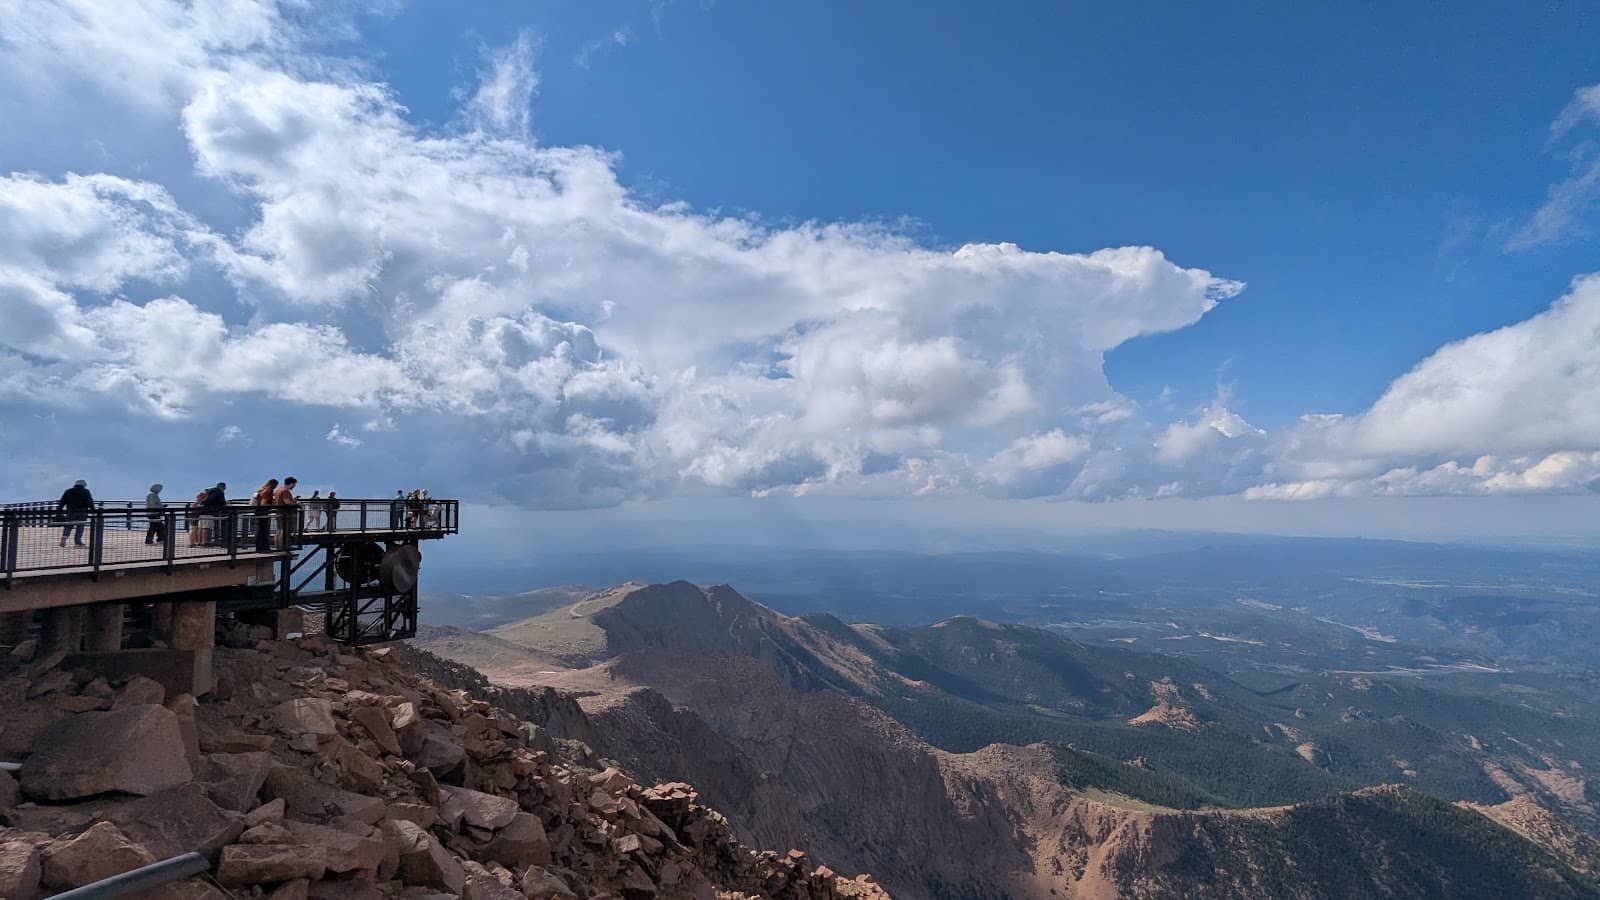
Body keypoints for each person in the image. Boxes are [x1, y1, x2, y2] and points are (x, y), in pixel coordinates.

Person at [56, 479, 94, 548]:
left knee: (68, 525)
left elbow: (62, 502)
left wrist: (59, 510)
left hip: (70, 511)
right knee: (80, 527)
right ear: (84, 485)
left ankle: (64, 536)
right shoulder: (85, 491)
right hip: (82, 512)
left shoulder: (68, 491)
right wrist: (93, 510)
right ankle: (78, 542)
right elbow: (89, 502)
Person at [251, 479, 278, 552]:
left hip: (257, 512)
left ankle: (259, 548)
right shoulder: (268, 491)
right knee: (264, 531)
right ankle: (264, 548)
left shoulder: (262, 489)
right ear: (273, 485)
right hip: (263, 512)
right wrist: (272, 505)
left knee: (259, 530)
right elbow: (263, 504)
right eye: (276, 485)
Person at [201, 482, 228, 547]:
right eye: (224, 488)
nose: (225, 489)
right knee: (215, 526)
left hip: (205, 511)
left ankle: (205, 541)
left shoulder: (210, 491)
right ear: (222, 487)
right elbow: (222, 502)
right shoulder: (219, 492)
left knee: (206, 527)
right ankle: (215, 541)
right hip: (214, 511)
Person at [274, 477, 298, 548]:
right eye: (294, 484)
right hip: (284, 513)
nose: (294, 486)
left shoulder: (278, 490)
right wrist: (295, 503)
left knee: (279, 530)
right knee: (284, 530)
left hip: (278, 512)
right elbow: (287, 502)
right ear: (291, 483)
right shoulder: (285, 491)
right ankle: (283, 546)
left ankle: (278, 546)